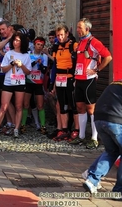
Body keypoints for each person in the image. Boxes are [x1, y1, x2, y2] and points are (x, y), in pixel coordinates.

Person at [75, 18, 112, 149]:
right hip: (78, 78)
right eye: (77, 27)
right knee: (80, 107)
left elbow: (108, 56)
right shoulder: (80, 42)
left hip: (89, 79)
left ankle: (94, 138)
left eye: (80, 27)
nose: (77, 30)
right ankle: (81, 136)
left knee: (91, 109)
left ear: (87, 29)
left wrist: (97, 69)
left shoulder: (94, 42)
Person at [82, 80, 122, 194]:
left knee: (112, 151)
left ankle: (91, 180)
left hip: (99, 119)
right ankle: (119, 191)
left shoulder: (115, 84)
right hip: (116, 122)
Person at [0, 31, 32, 138]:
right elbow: (3, 69)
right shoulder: (8, 53)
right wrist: (12, 64)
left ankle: (16, 128)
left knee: (19, 106)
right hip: (8, 82)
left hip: (20, 82)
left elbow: (28, 72)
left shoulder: (26, 55)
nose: (16, 42)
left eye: (18, 41)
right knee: (4, 106)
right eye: (14, 40)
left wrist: (21, 65)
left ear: (22, 42)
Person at [50, 24, 79, 142]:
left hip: (70, 77)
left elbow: (78, 61)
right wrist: (54, 85)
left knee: (73, 104)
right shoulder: (56, 47)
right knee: (61, 105)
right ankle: (64, 129)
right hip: (59, 78)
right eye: (58, 35)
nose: (60, 37)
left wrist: (77, 79)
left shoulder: (73, 45)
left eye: (62, 35)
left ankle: (76, 129)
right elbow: (55, 66)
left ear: (67, 34)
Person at [21, 37, 48, 134]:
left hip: (38, 83)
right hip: (29, 82)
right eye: (38, 44)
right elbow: (26, 67)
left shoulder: (44, 56)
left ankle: (43, 126)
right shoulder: (28, 55)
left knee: (40, 105)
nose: (39, 47)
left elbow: (44, 71)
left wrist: (40, 65)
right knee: (26, 104)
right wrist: (35, 62)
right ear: (34, 45)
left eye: (41, 45)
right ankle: (23, 125)